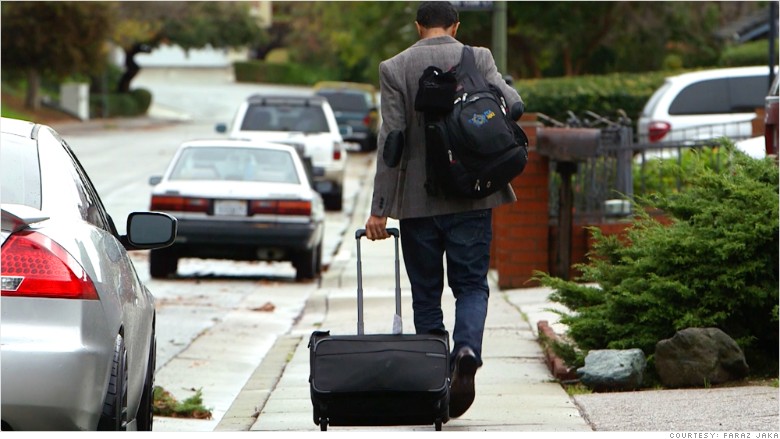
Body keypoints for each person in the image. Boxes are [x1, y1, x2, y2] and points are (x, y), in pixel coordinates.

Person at [364, 1, 523, 419]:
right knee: (471, 285)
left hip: (418, 204)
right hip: (473, 194)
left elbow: (392, 142)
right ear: (455, 25)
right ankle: (467, 349)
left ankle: (435, 381)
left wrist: (380, 209)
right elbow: (516, 105)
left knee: (426, 293)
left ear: (418, 27)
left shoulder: (394, 67)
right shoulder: (479, 57)